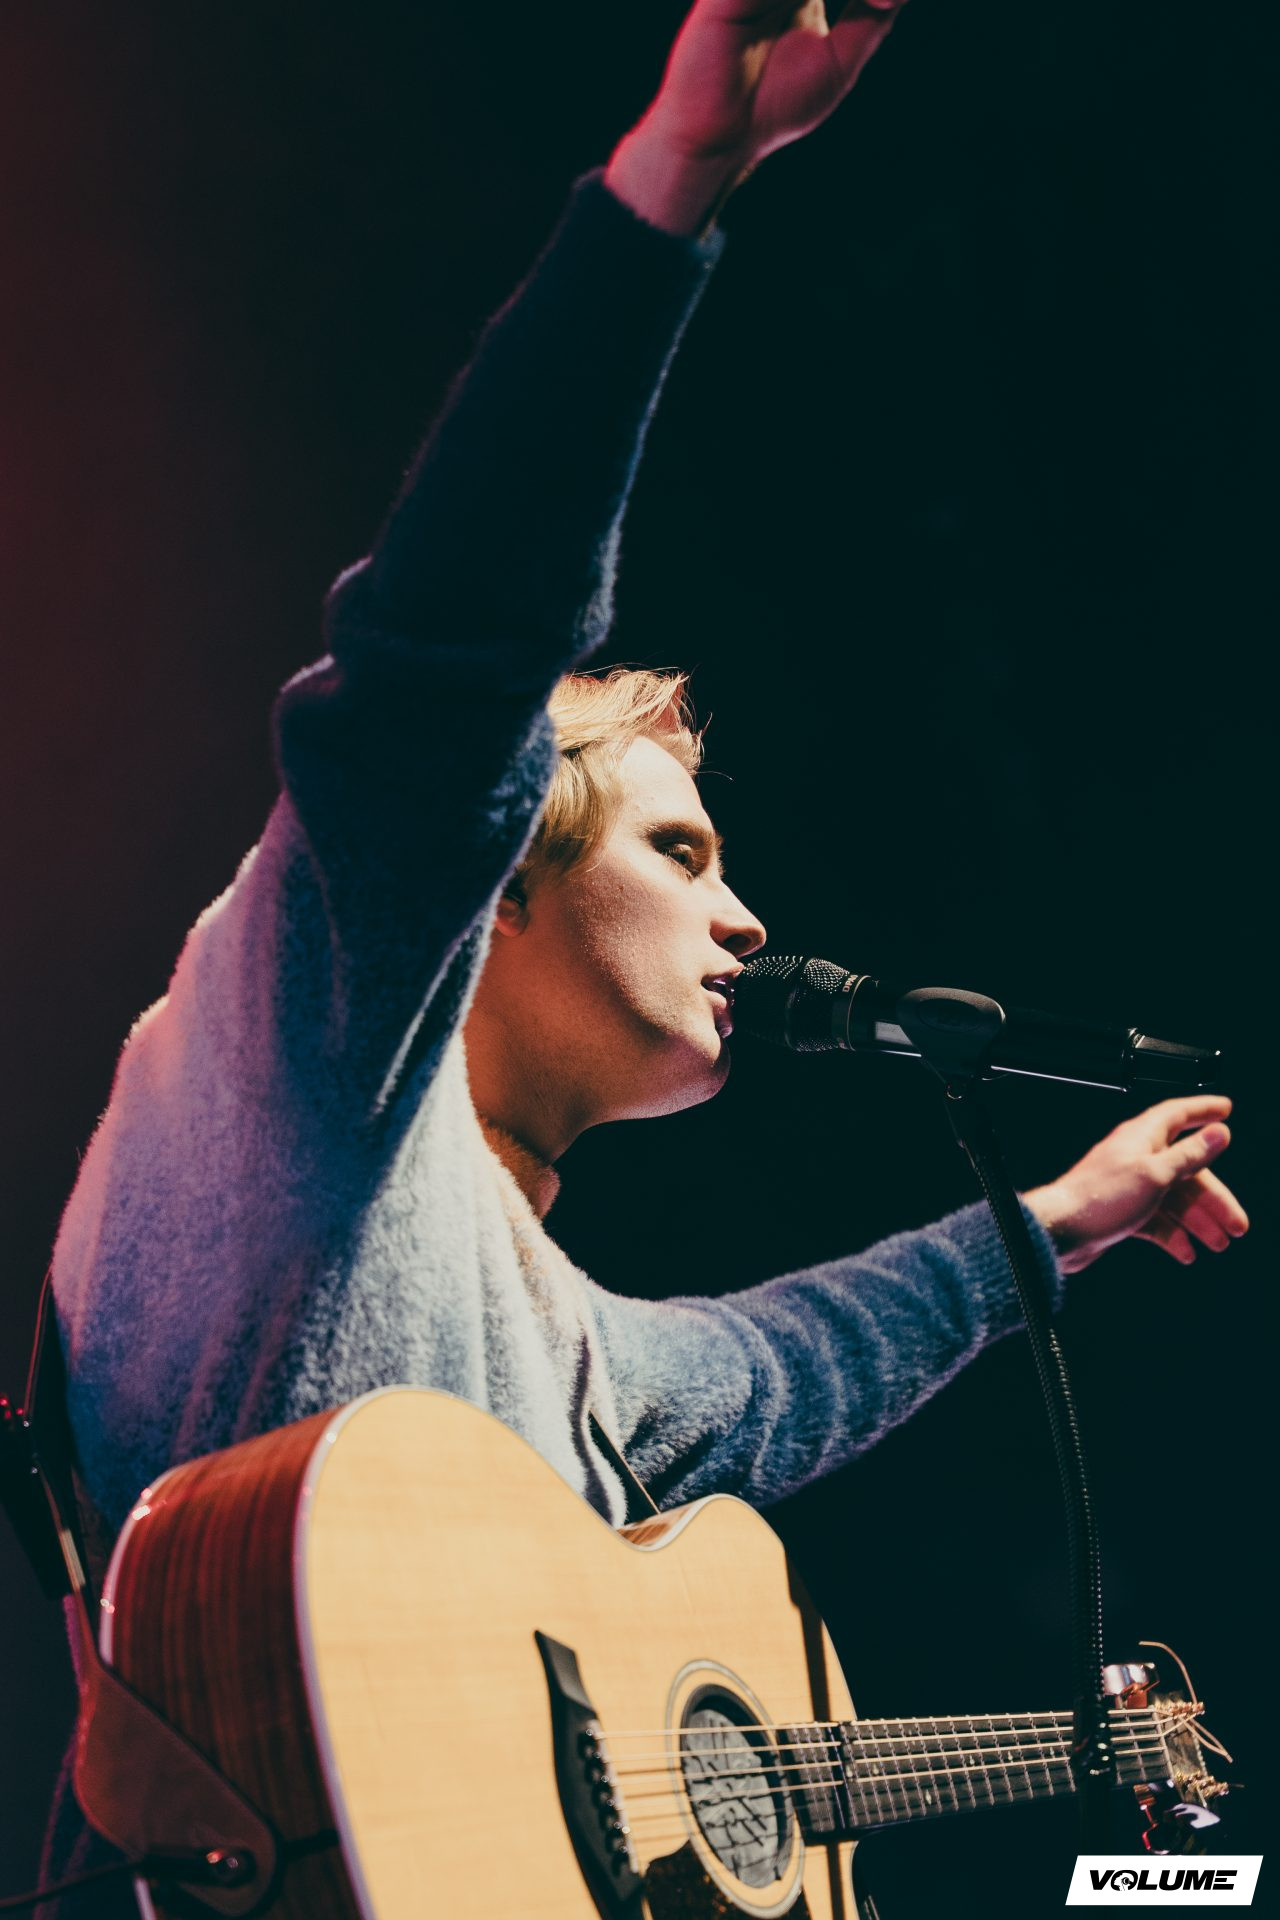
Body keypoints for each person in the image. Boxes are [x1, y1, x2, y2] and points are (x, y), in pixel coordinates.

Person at [40, 0, 1247, 1908]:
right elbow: (447, 657)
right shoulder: (300, 1041)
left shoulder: (557, 1330)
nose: (748, 918)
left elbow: (785, 1362)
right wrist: (673, 185)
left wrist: (1054, 1226)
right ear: (499, 883)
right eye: (681, 851)